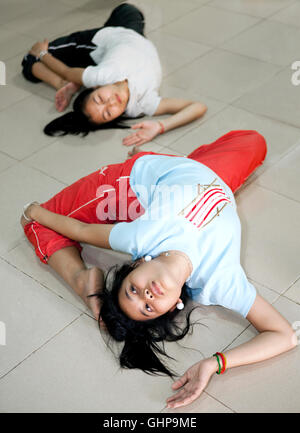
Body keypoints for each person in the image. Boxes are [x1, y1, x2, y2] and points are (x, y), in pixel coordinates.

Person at [20, 130, 297, 409]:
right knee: (255, 142)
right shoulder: (220, 281)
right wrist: (215, 364)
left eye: (132, 290)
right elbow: (284, 335)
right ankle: (83, 278)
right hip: (208, 177)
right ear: (174, 305)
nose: (146, 295)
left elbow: (82, 229)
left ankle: (82, 276)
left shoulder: (141, 237)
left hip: (134, 184)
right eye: (148, 308)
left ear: (138, 263)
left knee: (255, 139)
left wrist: (33, 211)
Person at [21, 3, 207, 149]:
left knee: (30, 59)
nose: (111, 103)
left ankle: (63, 84)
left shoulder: (102, 76)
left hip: (101, 40)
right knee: (129, 9)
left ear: (96, 87)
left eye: (100, 98)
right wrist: (160, 127)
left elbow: (67, 72)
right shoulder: (142, 104)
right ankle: (69, 83)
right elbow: (198, 106)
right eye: (108, 112)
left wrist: (42, 54)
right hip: (132, 33)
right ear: (117, 117)